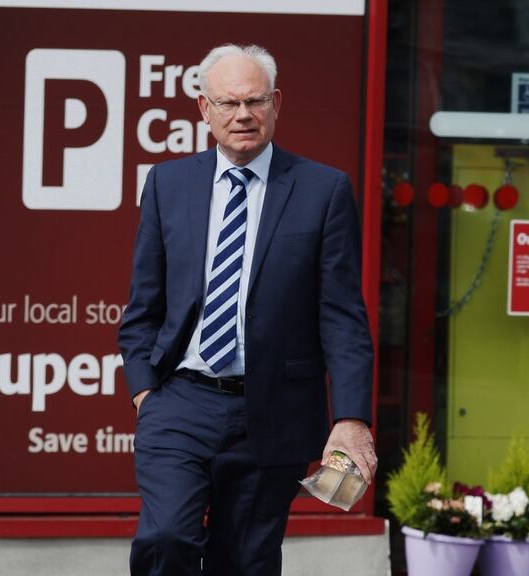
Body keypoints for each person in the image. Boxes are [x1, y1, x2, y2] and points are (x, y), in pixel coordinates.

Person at [118, 43, 376, 576]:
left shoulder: (322, 190)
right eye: (229, 102)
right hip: (181, 400)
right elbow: (143, 304)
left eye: (255, 100)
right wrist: (147, 392)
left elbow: (343, 316)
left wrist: (351, 419)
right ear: (203, 109)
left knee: (246, 562)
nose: (243, 115)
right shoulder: (169, 184)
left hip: (274, 410)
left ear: (277, 103)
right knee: (166, 538)